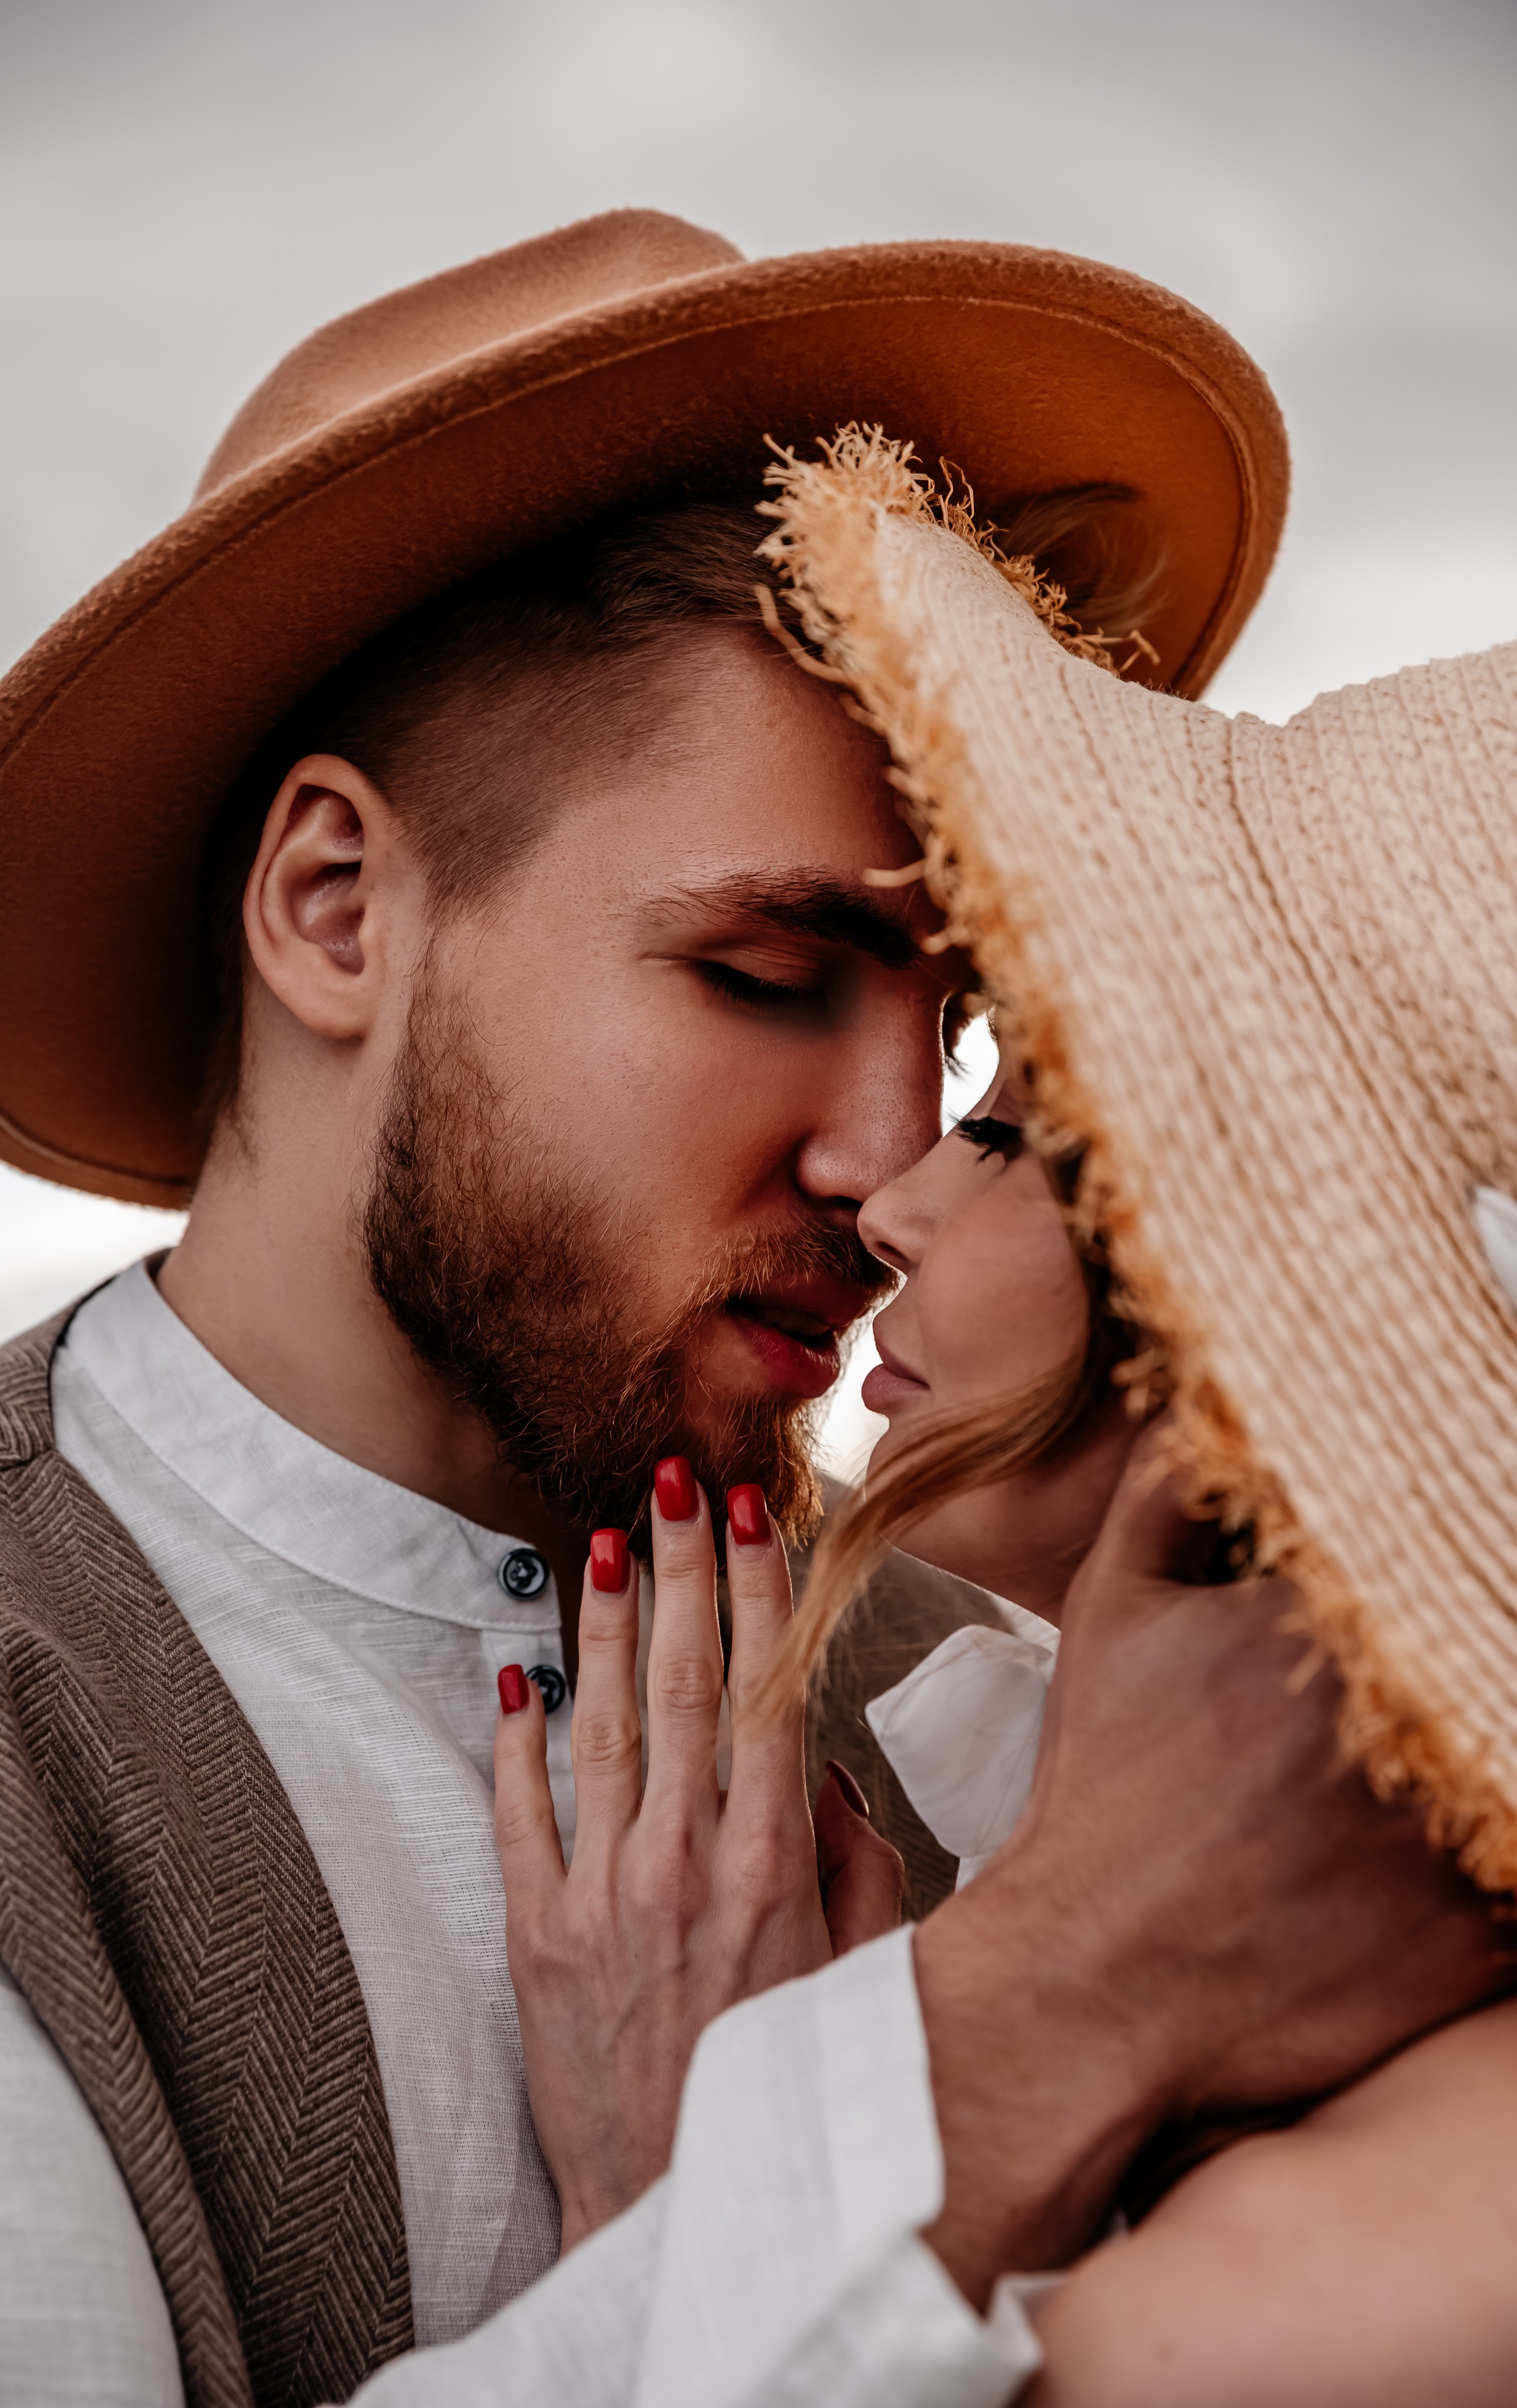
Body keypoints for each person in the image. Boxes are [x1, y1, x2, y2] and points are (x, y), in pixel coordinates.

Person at [0, 209, 1498, 2407]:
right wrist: (1038, 2019)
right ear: (335, 908)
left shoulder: (1076, 1710)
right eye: (765, 974)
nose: (884, 1158)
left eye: (960, 1035)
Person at [488, 429, 1517, 2406]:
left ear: (1269, 1285)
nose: (888, 1192)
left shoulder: (1306, 2293)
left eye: (1011, 1126)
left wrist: (679, 2221)